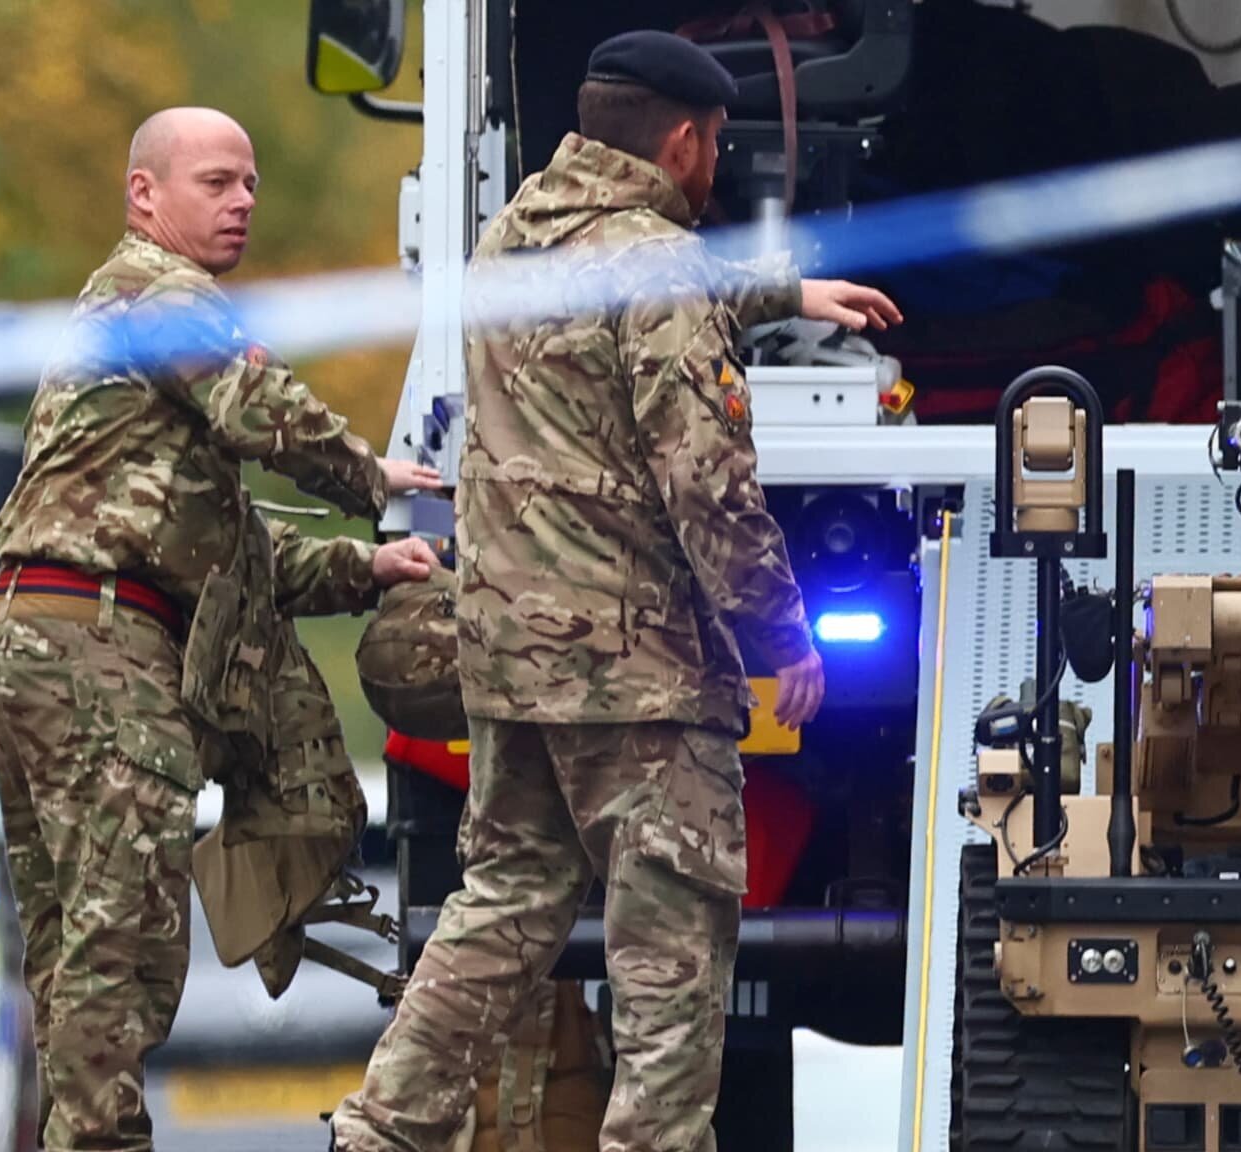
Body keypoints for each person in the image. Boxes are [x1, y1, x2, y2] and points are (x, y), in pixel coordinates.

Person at [329, 30, 901, 1152]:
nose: (714, 164)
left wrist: (788, 288)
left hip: (510, 668)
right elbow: (708, 482)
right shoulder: (660, 272)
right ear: (684, 140)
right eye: (716, 144)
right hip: (635, 682)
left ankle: (379, 1130)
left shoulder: (509, 242)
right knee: (670, 965)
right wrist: (782, 638)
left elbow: (629, 286)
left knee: (498, 913)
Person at [0, 106, 443, 1152]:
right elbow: (262, 411)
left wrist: (366, 566)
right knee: (122, 946)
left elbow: (225, 549)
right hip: (95, 647)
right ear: (145, 196)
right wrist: (371, 478)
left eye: (250, 187)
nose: (240, 205)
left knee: (72, 947)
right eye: (215, 183)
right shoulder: (159, 292)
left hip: (42, 631)